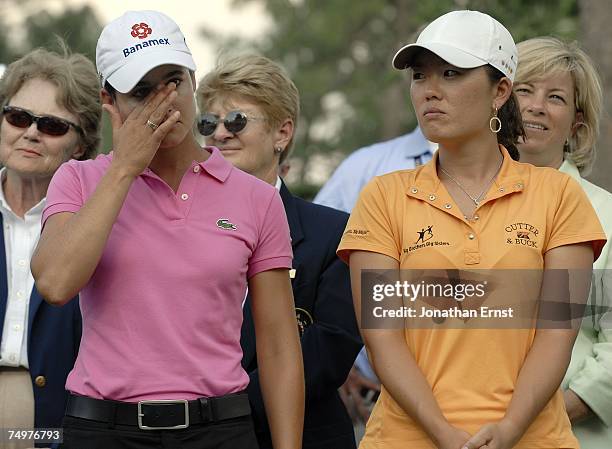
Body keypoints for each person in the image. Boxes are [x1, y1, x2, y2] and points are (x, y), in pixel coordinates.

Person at [30, 11, 303, 449]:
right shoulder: (78, 179)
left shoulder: (257, 198)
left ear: (194, 80)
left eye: (173, 80)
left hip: (219, 428)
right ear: (109, 101)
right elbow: (56, 283)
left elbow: (278, 348)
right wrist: (123, 168)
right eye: (140, 91)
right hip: (103, 428)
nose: (164, 101)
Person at [337, 9, 606, 449]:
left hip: (533, 438)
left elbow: (558, 333)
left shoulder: (559, 195)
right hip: (406, 439)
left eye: (451, 73)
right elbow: (382, 336)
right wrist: (444, 435)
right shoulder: (383, 197)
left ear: (500, 91)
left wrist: (511, 428)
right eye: (420, 76)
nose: (430, 91)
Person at [197, 53, 363, 449]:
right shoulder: (177, 226)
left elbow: (332, 347)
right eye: (208, 123)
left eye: (236, 120)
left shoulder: (335, 231)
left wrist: (223, 412)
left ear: (282, 133)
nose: (219, 133)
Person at [0, 46, 100, 449]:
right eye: (18, 117)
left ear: (79, 144)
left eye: (53, 126)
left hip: (58, 422)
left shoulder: (97, 225)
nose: (31, 132)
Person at [515, 36, 612, 449]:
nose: (536, 105)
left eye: (555, 97)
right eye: (524, 89)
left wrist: (551, 413)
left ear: (577, 123)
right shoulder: (451, 205)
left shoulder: (605, 216)